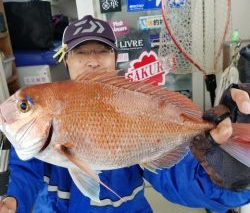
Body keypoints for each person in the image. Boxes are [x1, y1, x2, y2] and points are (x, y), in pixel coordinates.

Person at [1, 15, 250, 213]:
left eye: (102, 51)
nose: (93, 62)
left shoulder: (136, 105)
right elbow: (25, 173)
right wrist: (13, 201)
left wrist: (230, 175)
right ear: (66, 59)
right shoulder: (35, 134)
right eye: (81, 52)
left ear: (115, 58)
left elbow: (182, 182)